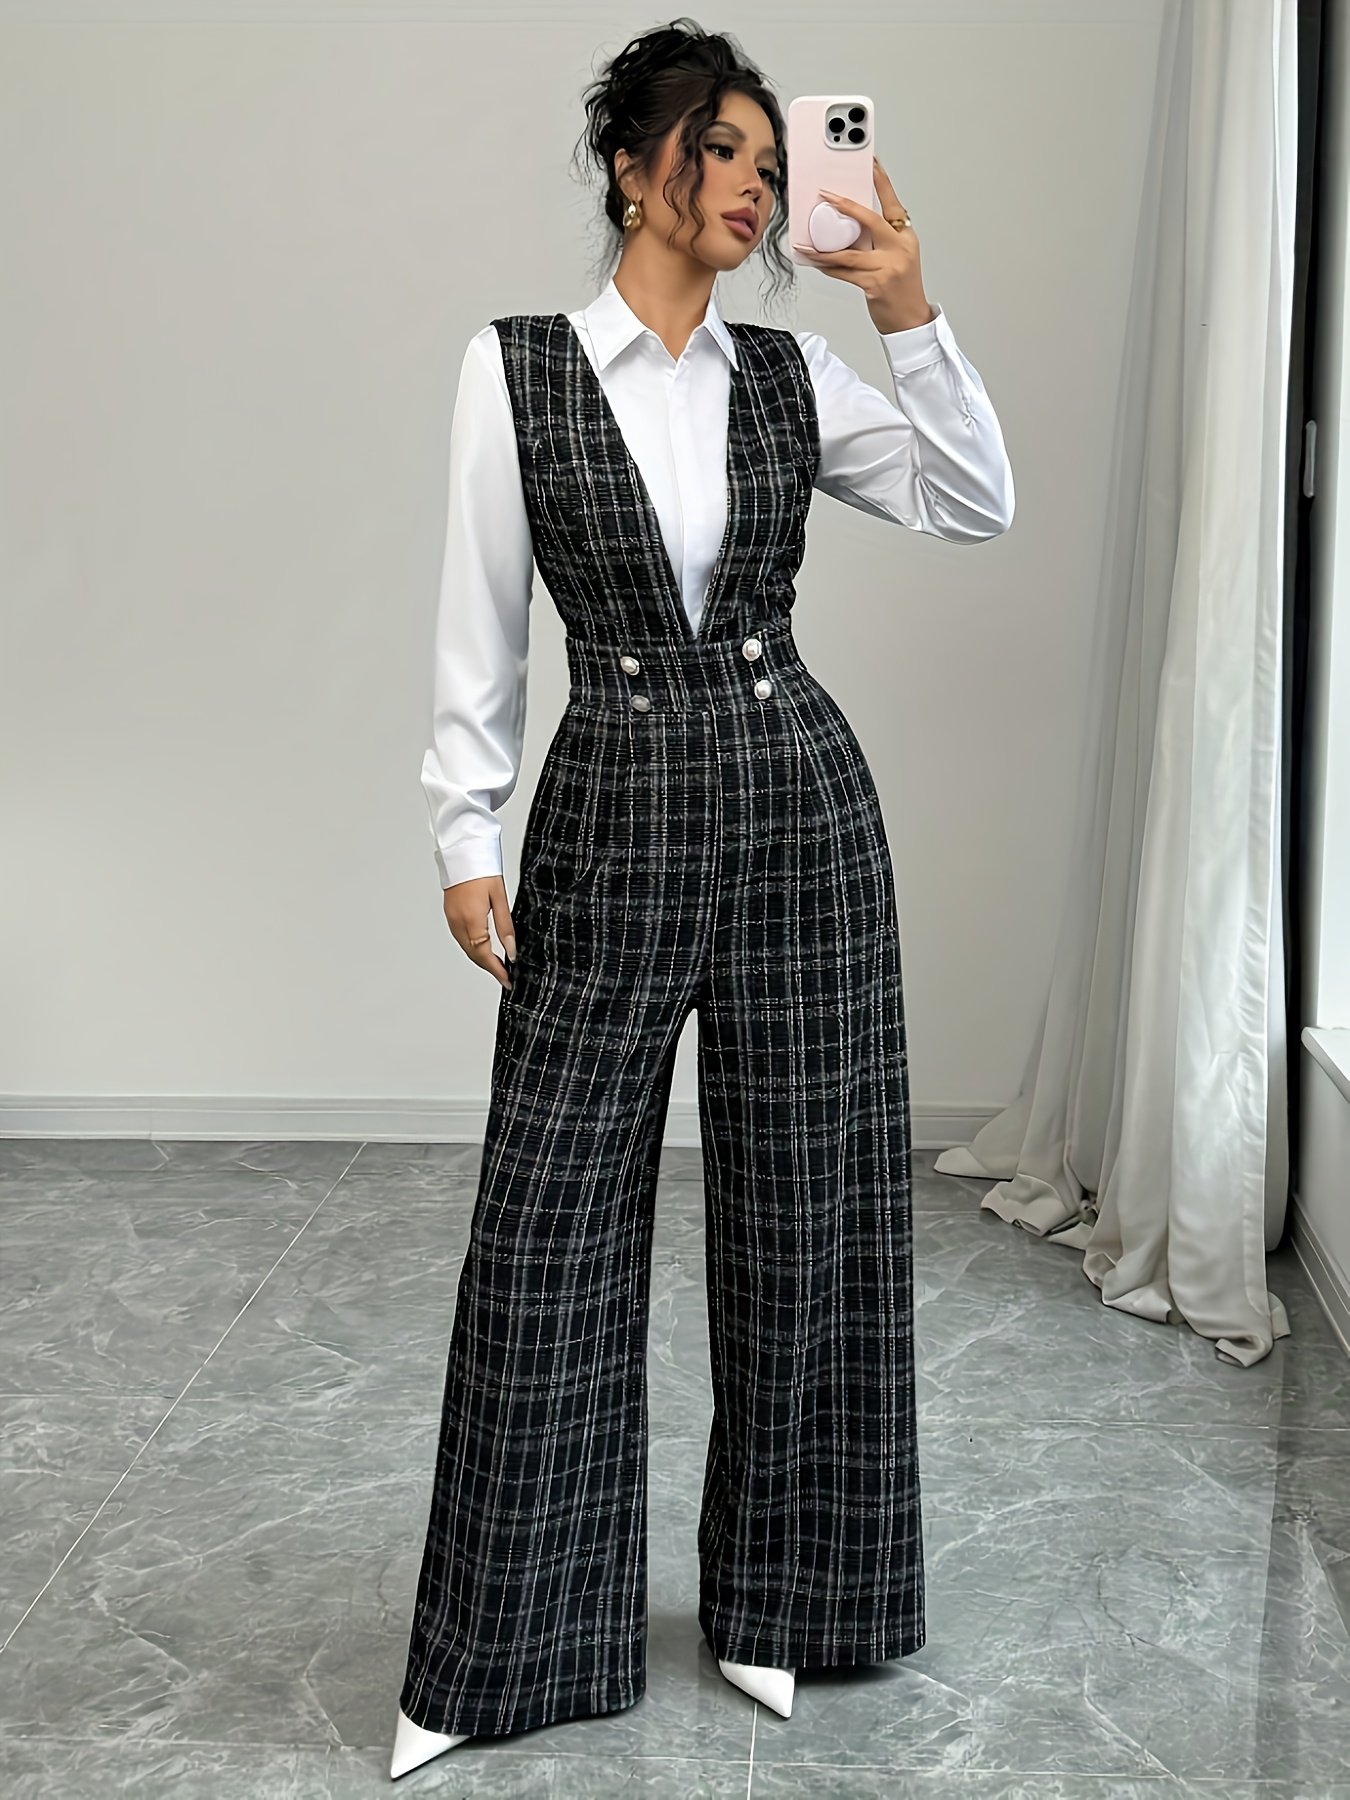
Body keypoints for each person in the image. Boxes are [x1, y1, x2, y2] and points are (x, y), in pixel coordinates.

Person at [392, 16, 1014, 1780]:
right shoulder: (515, 368)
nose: (749, 185)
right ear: (629, 166)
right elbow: (479, 622)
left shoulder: (789, 374)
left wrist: (905, 302)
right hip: (609, 806)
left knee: (810, 1211)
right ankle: (499, 1654)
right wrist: (464, 838)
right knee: (548, 1229)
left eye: (766, 160)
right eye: (717, 152)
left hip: (797, 806)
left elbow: (974, 501)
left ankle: (785, 1607)